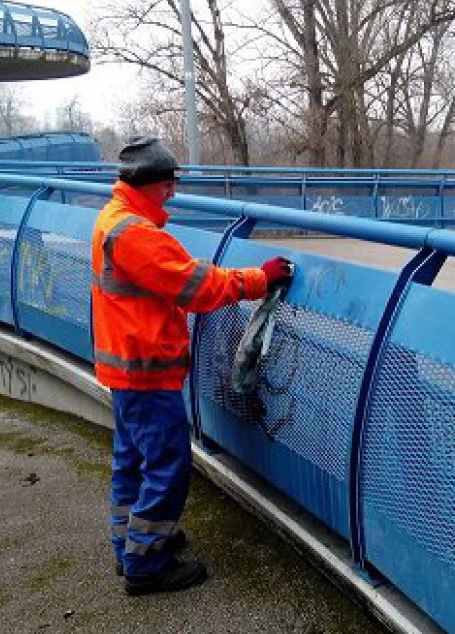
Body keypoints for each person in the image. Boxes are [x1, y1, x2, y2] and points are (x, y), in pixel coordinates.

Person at [91, 137, 293, 596]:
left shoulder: (112, 219)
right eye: (169, 185)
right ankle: (146, 565)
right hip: (146, 370)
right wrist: (260, 278)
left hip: (126, 369)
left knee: (132, 459)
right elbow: (195, 287)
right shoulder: (136, 234)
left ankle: (131, 544)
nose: (174, 194)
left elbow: (172, 274)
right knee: (168, 464)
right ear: (152, 184)